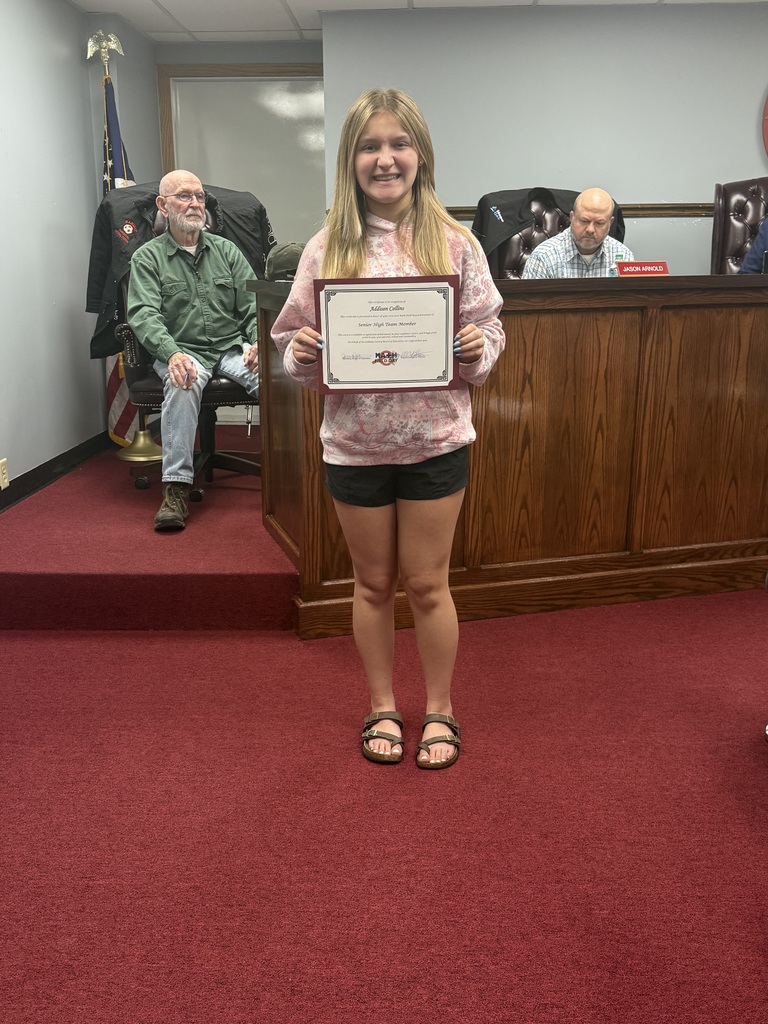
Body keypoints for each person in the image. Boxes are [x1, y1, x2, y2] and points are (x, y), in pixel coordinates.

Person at [271, 88, 505, 770]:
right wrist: (303, 356)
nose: (385, 159)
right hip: (356, 447)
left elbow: (491, 327)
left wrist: (475, 350)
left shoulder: (455, 242)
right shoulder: (324, 248)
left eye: (398, 144)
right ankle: (381, 704)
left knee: (429, 585)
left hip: (435, 443)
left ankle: (440, 709)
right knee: (371, 586)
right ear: (350, 161)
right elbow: (291, 346)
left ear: (420, 155)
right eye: (369, 146)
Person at [127, 170, 260, 531]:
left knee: (280, 379)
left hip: (230, 348)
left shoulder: (226, 251)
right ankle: (176, 489)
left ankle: (296, 475)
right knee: (183, 384)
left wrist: (259, 341)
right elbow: (144, 315)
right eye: (184, 196)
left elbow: (251, 306)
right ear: (163, 205)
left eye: (199, 197)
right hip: (182, 352)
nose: (195, 204)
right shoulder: (147, 258)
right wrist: (171, 353)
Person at [521, 187, 634, 279]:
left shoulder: (623, 256)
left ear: (610, 223)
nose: (590, 229)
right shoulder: (544, 256)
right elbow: (530, 304)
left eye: (599, 223)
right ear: (572, 217)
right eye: (584, 221)